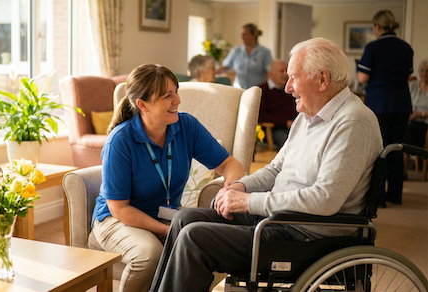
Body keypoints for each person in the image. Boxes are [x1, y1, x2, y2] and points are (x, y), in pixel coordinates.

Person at [149, 37, 383, 292]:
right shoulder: (308, 117)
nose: (287, 87)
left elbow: (325, 199)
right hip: (276, 220)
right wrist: (239, 186)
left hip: (306, 236)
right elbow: (275, 169)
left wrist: (249, 202)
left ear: (322, 79)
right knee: (185, 219)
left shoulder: (352, 122)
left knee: (195, 239)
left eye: (293, 77)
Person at [90, 63, 244, 292]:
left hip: (165, 214)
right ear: (142, 105)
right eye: (167, 96)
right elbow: (120, 209)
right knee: (150, 254)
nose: (177, 101)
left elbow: (230, 164)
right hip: (116, 219)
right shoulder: (120, 141)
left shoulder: (186, 125)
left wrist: (231, 187)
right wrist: (166, 230)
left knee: (218, 244)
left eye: (176, 92)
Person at [357, 9, 413, 207]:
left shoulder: (373, 47)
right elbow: (407, 76)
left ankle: (378, 197)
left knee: (378, 150)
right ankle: (395, 194)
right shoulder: (406, 48)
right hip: (402, 103)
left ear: (377, 26)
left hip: (379, 103)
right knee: (396, 148)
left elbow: (362, 77)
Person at [218, 23, 272, 89]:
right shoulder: (236, 50)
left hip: (257, 90)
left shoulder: (265, 52)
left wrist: (264, 89)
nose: (242, 37)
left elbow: (269, 73)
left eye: (245, 34)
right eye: (241, 34)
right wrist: (212, 71)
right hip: (239, 89)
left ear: (254, 35)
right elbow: (225, 67)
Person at [258, 59, 298, 149]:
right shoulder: (262, 90)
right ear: (271, 74)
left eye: (286, 71)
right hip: (274, 129)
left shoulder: (290, 89)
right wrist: (285, 123)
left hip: (295, 125)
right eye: (281, 71)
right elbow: (261, 116)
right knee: (288, 142)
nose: (285, 74)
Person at [403, 60, 428, 179]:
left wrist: (420, 114)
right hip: (408, 120)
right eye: (422, 70)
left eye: (427, 71)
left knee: (408, 133)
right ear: (418, 72)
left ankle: (402, 173)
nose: (424, 73)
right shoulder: (412, 85)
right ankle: (398, 171)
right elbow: (403, 100)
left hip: (424, 124)